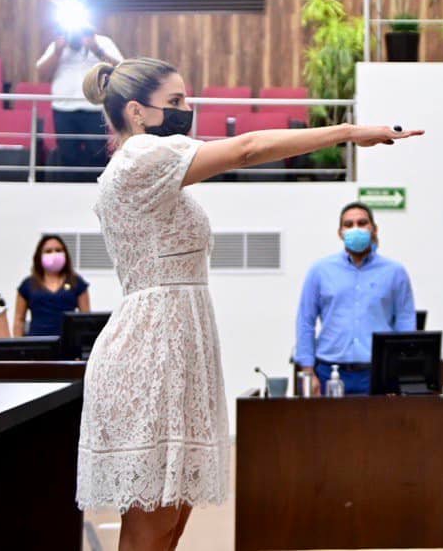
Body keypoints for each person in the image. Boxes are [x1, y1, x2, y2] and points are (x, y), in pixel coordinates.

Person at [74, 57, 421, 551]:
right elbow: (248, 148)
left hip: (178, 343)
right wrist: (348, 132)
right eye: (174, 101)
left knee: (170, 524)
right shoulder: (140, 157)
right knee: (150, 528)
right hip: (152, 350)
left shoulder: (153, 165)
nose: (186, 110)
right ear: (136, 111)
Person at [294, 203, 417, 396]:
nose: (355, 228)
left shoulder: (395, 272)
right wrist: (308, 372)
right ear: (340, 233)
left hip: (376, 373)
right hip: (328, 372)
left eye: (362, 223)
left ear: (374, 229)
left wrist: (402, 371)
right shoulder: (320, 271)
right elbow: (305, 321)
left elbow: (405, 320)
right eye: (348, 224)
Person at [36, 21, 124, 179]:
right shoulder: (58, 44)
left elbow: (121, 69)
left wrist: (97, 50)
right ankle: (69, 191)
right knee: (67, 155)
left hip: (95, 108)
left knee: (98, 154)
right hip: (64, 108)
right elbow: (42, 74)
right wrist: (57, 51)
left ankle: (97, 189)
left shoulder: (102, 42)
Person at [13, 234, 91, 337]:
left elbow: (86, 319)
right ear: (39, 256)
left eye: (58, 250)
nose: (54, 254)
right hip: (37, 342)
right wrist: (18, 344)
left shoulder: (76, 282)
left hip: (68, 342)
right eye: (48, 251)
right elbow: (19, 320)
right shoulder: (28, 284)